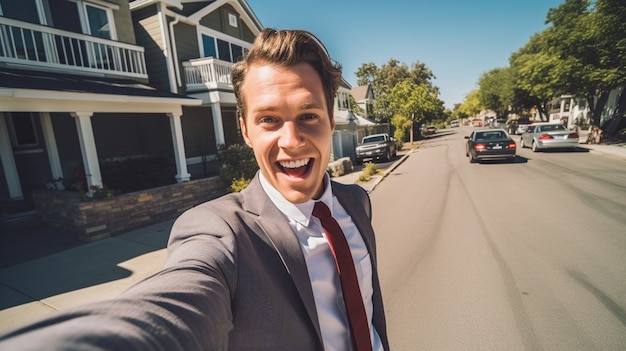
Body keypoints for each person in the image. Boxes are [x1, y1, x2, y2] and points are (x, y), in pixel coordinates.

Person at [0, 28, 389, 351]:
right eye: (269, 119)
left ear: (331, 120)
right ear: (245, 129)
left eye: (308, 116)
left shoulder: (356, 202)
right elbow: (176, 301)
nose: (291, 140)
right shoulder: (220, 233)